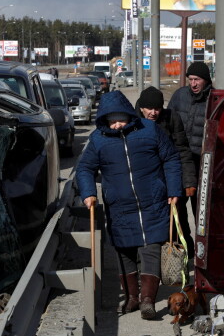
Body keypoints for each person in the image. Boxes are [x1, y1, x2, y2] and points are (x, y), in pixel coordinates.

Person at [76, 91, 183, 320]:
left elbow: (171, 158)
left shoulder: (149, 130)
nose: (116, 125)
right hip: (120, 206)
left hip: (153, 201)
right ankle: (132, 297)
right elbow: (84, 168)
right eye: (111, 120)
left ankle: (147, 300)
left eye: (120, 119)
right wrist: (88, 193)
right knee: (124, 251)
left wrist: (174, 189)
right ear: (104, 120)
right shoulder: (98, 139)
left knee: (151, 248)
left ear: (128, 115)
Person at [134, 86, 197, 257]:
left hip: (171, 181)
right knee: (149, 225)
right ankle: (148, 263)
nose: (154, 113)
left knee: (178, 222)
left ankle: (180, 260)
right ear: (141, 107)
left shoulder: (171, 118)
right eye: (149, 109)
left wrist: (189, 181)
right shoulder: (132, 121)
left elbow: (183, 150)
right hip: (146, 183)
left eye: (158, 108)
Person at [167, 61, 213, 254]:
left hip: (202, 163)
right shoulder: (180, 96)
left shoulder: (214, 99)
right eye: (191, 79)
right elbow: (167, 120)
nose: (193, 84)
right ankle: (185, 246)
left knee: (200, 210)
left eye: (197, 80)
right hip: (179, 160)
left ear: (206, 80)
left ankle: (204, 250)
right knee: (177, 207)